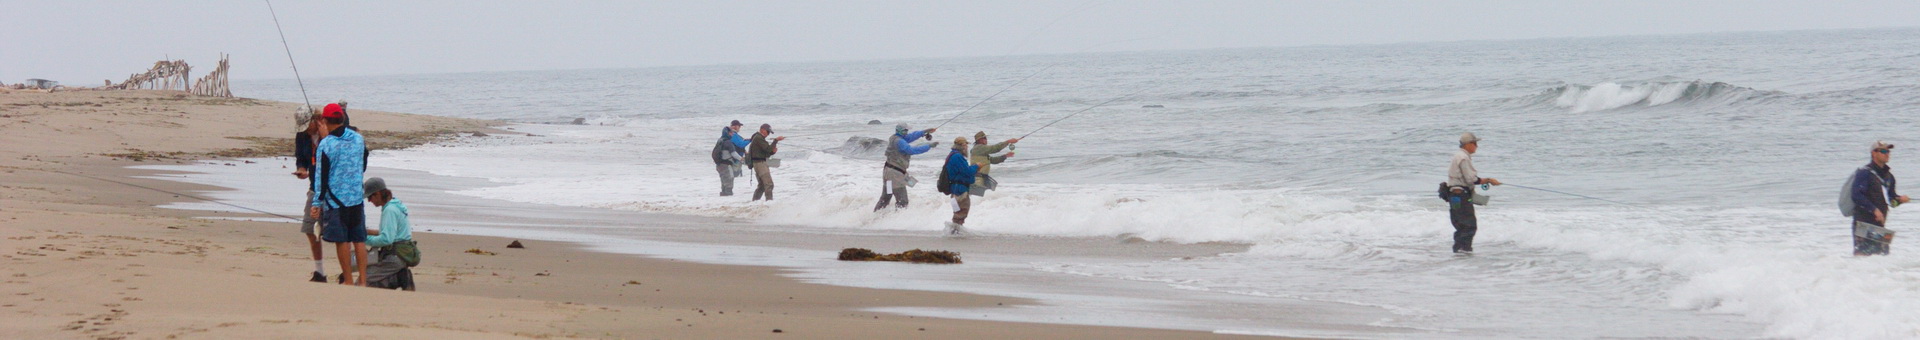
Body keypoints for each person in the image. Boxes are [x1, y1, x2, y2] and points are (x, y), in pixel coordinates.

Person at [307, 103, 371, 286]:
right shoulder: (358, 139)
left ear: (325, 120)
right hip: (357, 197)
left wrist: (316, 204)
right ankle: (363, 281)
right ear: (342, 119)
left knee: (342, 240)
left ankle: (349, 280)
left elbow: (321, 177)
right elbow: (363, 163)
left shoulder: (325, 144)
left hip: (336, 201)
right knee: (359, 238)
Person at [1442, 132, 1500, 254]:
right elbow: (1471, 179)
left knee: (1460, 226)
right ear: (1468, 144)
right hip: (1461, 196)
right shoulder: (1463, 157)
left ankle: (1458, 253)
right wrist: (1489, 180)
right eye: (1475, 143)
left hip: (1454, 196)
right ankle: (1464, 252)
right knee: (1469, 226)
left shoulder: (1458, 156)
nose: (1476, 146)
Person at [1851, 141, 1908, 256]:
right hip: (1863, 224)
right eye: (1883, 151)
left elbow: (1891, 202)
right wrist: (1874, 210)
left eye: (1888, 151)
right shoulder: (1864, 173)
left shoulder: (1889, 177)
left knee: (1883, 258)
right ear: (1874, 154)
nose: (1887, 154)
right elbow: (1856, 195)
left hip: (1879, 227)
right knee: (1862, 258)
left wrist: (1900, 200)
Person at [291, 106, 328, 283]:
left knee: (338, 231)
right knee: (309, 228)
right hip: (314, 186)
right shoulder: (302, 136)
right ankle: (319, 271)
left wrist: (324, 136)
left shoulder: (329, 133)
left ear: (315, 120)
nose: (306, 130)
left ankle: (348, 271)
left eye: (307, 125)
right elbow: (301, 158)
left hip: (333, 189)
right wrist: (302, 169)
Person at [361, 177, 415, 290]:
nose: (369, 201)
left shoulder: (389, 210)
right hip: (402, 253)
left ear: (378, 194)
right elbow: (394, 233)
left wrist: (363, 238)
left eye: (370, 197)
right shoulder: (395, 205)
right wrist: (369, 232)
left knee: (363, 280)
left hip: (395, 256)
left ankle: (399, 277)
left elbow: (386, 239)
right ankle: (398, 275)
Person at [874, 124, 939, 211]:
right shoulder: (900, 142)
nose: (906, 132)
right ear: (900, 131)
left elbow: (910, 137)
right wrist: (928, 146)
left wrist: (923, 132)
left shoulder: (894, 138)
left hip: (889, 172)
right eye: (905, 130)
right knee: (903, 201)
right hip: (895, 175)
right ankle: (897, 222)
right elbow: (911, 150)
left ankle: (876, 218)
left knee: (885, 198)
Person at [939, 137, 980, 235]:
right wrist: (977, 166)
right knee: (961, 212)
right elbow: (967, 171)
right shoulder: (957, 156)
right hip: (959, 189)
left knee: (958, 212)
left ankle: (954, 231)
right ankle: (954, 233)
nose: (966, 147)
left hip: (955, 189)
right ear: (962, 146)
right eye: (966, 145)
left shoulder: (952, 155)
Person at [968, 131, 1019, 196]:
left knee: (979, 198)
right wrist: (1008, 141)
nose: (986, 140)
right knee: (977, 196)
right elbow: (994, 148)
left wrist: (1005, 156)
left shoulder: (981, 150)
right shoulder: (979, 148)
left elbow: (993, 160)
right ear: (980, 140)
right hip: (977, 179)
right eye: (985, 138)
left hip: (982, 178)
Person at [711, 120, 749, 196]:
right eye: (731, 133)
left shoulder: (720, 140)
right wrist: (741, 159)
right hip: (726, 164)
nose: (732, 134)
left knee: (723, 180)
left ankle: (723, 195)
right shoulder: (728, 142)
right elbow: (733, 153)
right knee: (729, 179)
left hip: (719, 164)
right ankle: (728, 195)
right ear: (728, 133)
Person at [747, 123, 785, 201]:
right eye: (767, 131)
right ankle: (769, 202)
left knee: (762, 186)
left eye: (769, 132)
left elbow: (766, 152)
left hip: (758, 163)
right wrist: (776, 140)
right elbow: (768, 149)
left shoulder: (758, 138)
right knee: (769, 184)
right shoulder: (758, 138)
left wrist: (772, 152)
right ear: (762, 130)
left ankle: (754, 202)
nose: (768, 134)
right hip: (760, 164)